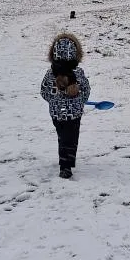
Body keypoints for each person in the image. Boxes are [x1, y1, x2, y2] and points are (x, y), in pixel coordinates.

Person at [40, 32, 90, 179]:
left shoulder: (51, 74)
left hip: (56, 114)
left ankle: (64, 164)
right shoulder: (78, 73)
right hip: (74, 114)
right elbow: (86, 91)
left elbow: (44, 91)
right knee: (72, 137)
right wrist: (79, 100)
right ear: (76, 53)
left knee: (62, 137)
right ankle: (67, 163)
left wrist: (53, 101)